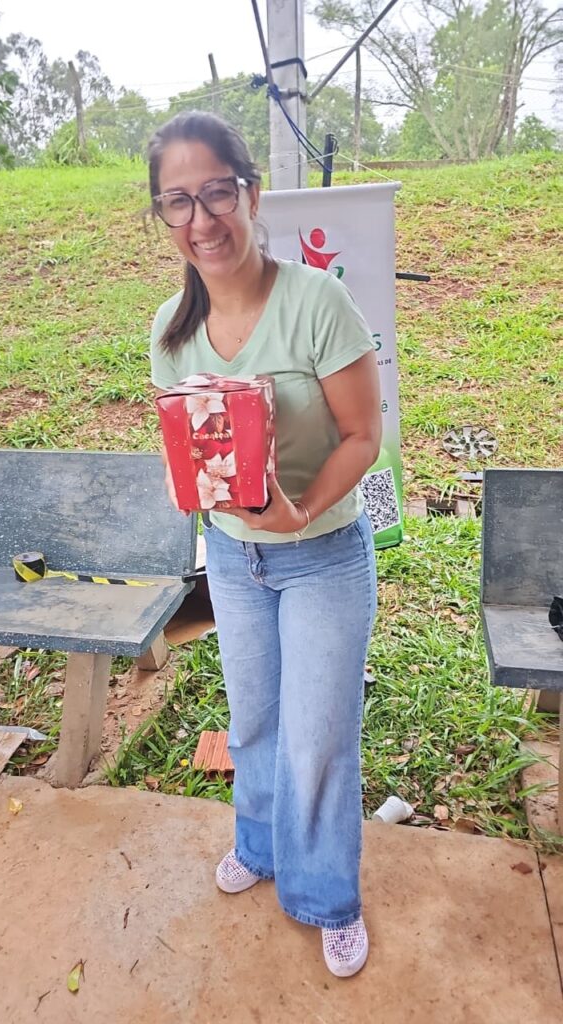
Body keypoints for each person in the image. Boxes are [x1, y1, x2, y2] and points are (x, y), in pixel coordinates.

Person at [148, 111, 382, 979]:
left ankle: (326, 896)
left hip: (322, 554)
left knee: (316, 735)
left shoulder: (316, 301)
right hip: (233, 559)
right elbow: (186, 443)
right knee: (253, 722)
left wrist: (302, 508)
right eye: (178, 201)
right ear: (163, 216)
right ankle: (260, 843)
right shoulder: (171, 331)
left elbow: (364, 436)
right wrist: (191, 485)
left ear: (250, 194)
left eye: (216, 192)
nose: (202, 219)